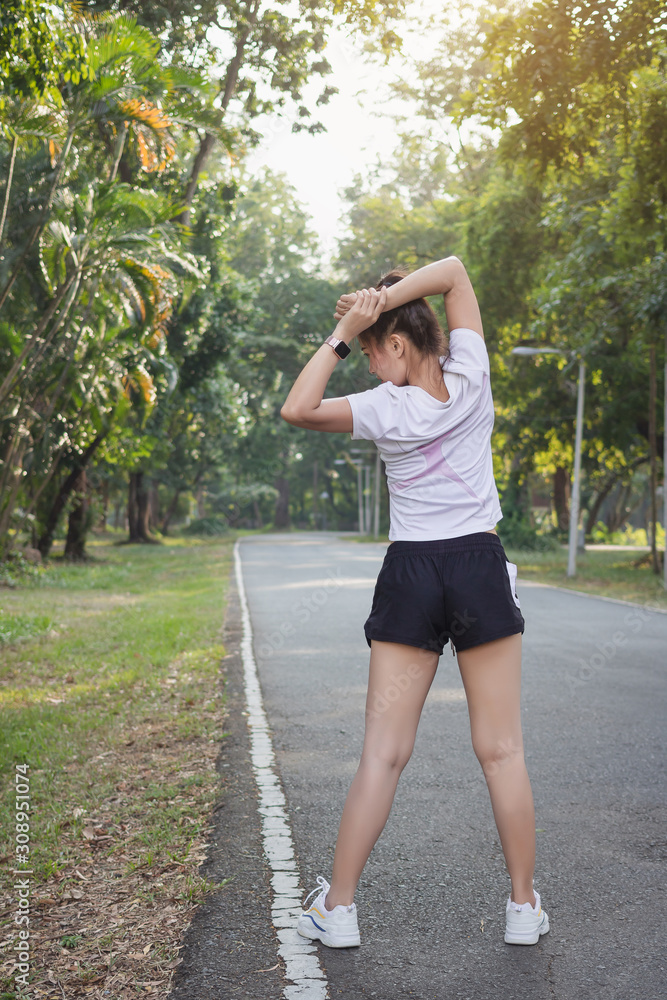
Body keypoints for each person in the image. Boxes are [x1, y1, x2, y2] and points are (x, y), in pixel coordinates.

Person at [280, 256, 550, 950]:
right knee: (501, 750)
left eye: (371, 351)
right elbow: (458, 271)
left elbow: (297, 408)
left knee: (381, 753)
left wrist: (346, 327)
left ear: (395, 344)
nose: (367, 364)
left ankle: (337, 909)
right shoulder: (470, 376)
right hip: (477, 568)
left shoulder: (382, 406)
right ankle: (522, 907)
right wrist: (385, 300)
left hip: (413, 575)